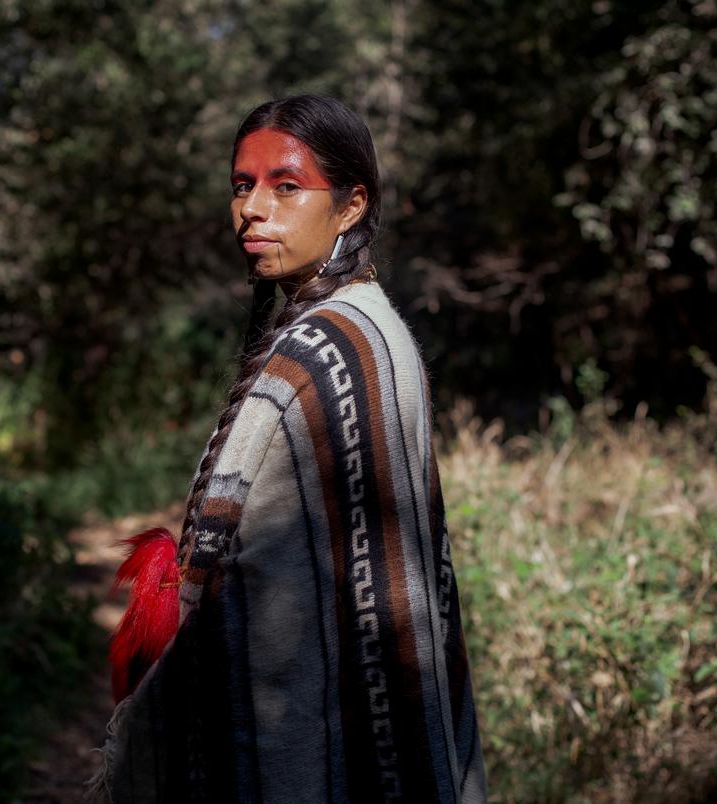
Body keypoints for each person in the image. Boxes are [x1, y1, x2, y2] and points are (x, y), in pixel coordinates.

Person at [89, 94, 486, 803]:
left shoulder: (331, 346)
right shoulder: (366, 331)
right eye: (243, 185)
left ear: (352, 204)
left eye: (287, 185)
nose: (253, 207)